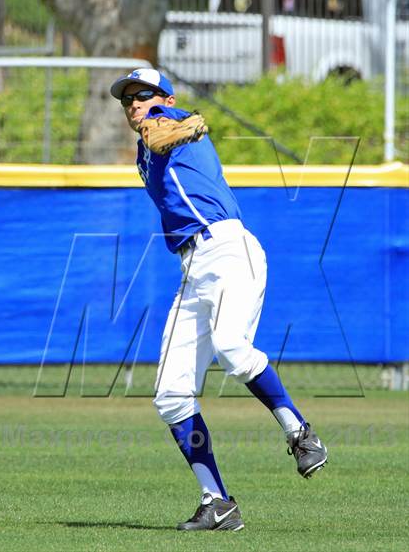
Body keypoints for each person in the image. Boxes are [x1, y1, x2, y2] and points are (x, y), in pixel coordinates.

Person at [110, 68, 327, 532]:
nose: (133, 104)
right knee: (169, 395)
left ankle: (300, 433)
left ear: (164, 97)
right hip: (191, 268)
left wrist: (182, 119)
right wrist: (168, 126)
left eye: (142, 95)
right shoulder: (146, 148)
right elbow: (162, 138)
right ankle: (218, 502)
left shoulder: (174, 119)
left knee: (231, 346)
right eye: (126, 99)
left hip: (228, 248)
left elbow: (192, 122)